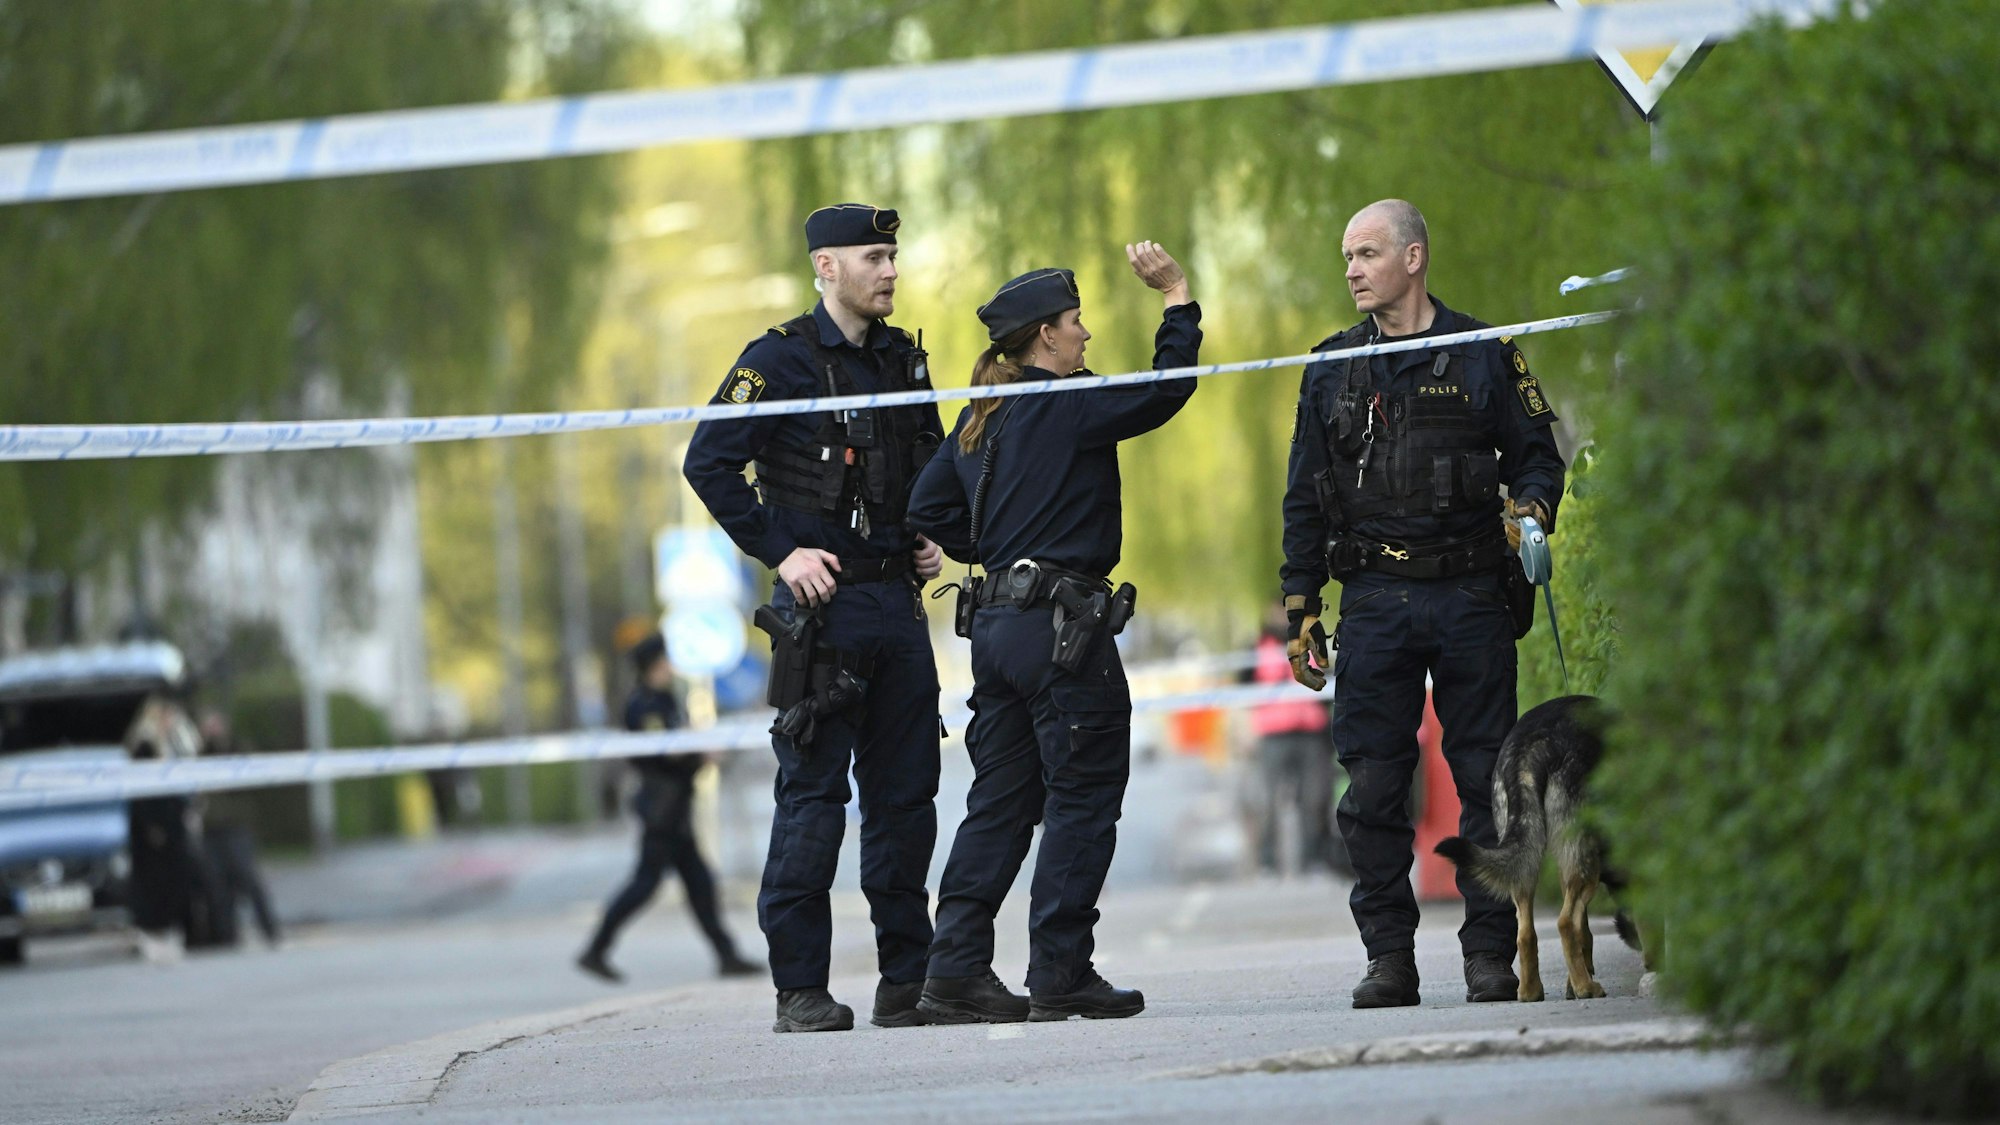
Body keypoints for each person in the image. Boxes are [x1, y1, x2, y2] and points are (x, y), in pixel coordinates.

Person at [1280, 199, 1566, 1008]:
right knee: (1373, 785)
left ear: (1413, 258)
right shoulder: (1331, 366)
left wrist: (1533, 514)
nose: (1352, 270)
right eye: (1346, 256)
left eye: (1367, 253)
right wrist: (1300, 608)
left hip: (1472, 590)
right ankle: (1388, 958)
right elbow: (1303, 496)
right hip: (1373, 598)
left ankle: (1489, 955)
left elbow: (1539, 458)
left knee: (1485, 777)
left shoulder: (1483, 352)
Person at [907, 242, 1199, 1023]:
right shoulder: (1068, 402)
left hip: (996, 633)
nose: (1086, 336)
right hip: (1064, 632)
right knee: (1083, 793)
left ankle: (955, 970)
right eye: (1076, 323)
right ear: (1044, 338)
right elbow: (1168, 390)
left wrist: (997, 550)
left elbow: (926, 511)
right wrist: (1175, 298)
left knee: (999, 801)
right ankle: (1061, 970)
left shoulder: (980, 419)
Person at [682, 203, 946, 1033]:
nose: (891, 270)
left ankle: (908, 981)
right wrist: (779, 552)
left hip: (896, 609)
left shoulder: (906, 360)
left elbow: (934, 464)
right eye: (874, 257)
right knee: (813, 801)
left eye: (893, 256)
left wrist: (930, 533)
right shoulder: (780, 360)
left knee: (906, 802)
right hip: (822, 615)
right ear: (826, 267)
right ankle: (800, 988)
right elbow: (708, 461)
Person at [577, 634, 760, 983]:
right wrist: (698, 750)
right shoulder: (644, 704)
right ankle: (596, 949)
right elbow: (662, 750)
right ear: (653, 665)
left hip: (676, 807)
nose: (670, 666)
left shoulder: (663, 700)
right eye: (664, 660)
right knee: (645, 884)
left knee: (700, 884)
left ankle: (727, 955)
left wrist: (697, 749)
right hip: (661, 809)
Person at [1245, 607, 1343, 877]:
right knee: (1267, 801)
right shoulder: (1255, 648)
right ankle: (1267, 863)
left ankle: (1314, 859)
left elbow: (1331, 681)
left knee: (1315, 797)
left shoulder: (1313, 644)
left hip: (1311, 732)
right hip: (1272, 733)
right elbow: (1242, 692)